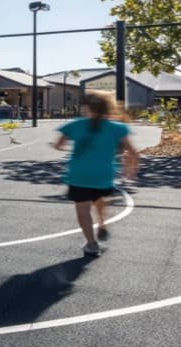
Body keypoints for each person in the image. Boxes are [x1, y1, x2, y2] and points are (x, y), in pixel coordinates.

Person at [52, 91, 138, 256]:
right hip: (103, 175)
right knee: (99, 198)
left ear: (86, 108)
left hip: (79, 175)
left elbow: (58, 145)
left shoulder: (75, 124)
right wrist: (131, 170)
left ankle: (92, 244)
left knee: (82, 209)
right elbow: (133, 152)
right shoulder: (118, 128)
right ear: (108, 107)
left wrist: (64, 146)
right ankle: (102, 223)